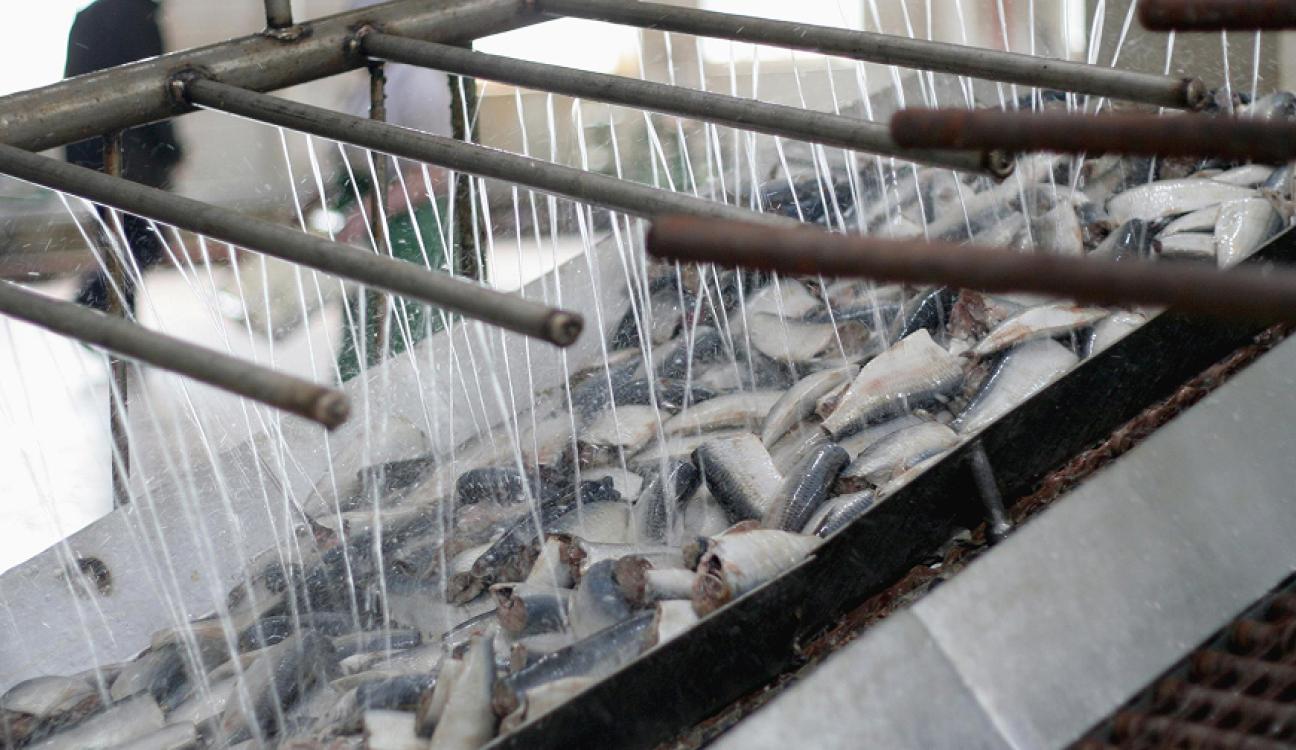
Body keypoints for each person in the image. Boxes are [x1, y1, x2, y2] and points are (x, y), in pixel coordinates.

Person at [331, 0, 457, 381]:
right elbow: (353, 154)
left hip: (409, 223)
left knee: (408, 324)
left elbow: (439, 170)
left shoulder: (419, 78)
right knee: (367, 318)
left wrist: (373, 209)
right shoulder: (373, 73)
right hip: (369, 209)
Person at [64, 0, 183, 314]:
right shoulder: (138, 16)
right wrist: (170, 148)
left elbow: (69, 89)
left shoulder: (88, 17)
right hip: (133, 153)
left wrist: (73, 158)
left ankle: (118, 319)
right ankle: (93, 305)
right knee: (143, 243)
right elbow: (156, 90)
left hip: (92, 153)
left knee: (120, 244)